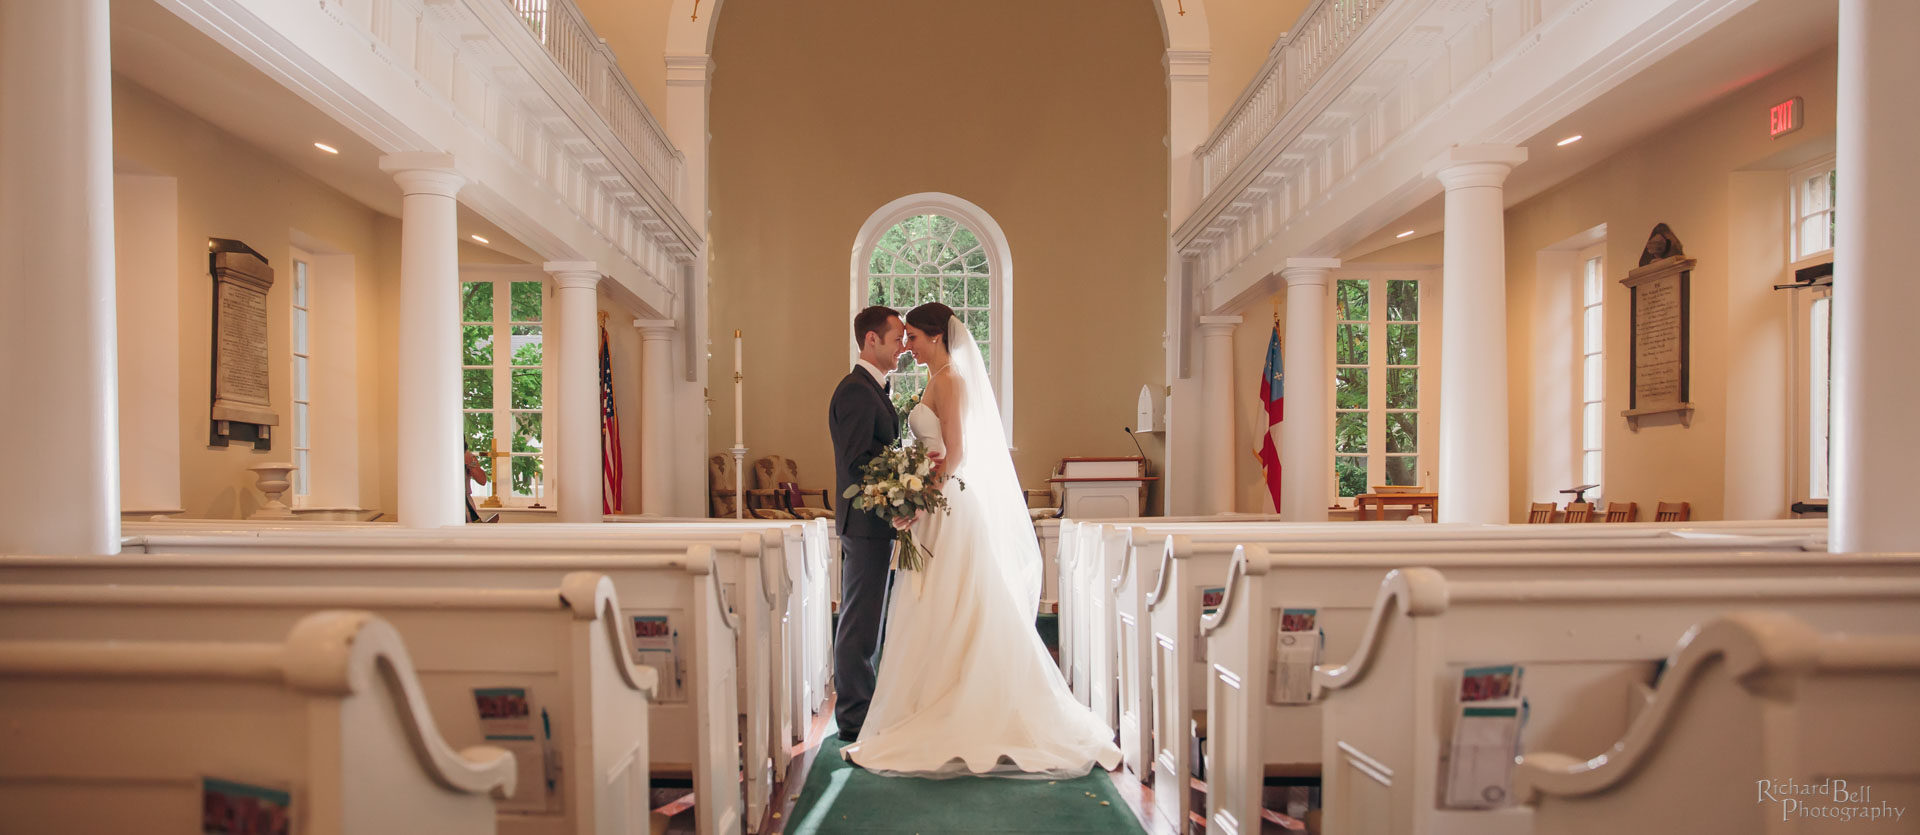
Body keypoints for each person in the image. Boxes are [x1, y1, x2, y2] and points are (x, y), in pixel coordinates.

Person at [841, 302, 1122, 778]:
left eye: (912, 336)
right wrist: (910, 493)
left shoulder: (951, 380)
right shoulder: (933, 380)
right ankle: (924, 699)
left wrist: (917, 497)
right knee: (927, 604)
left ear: (935, 336)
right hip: (930, 507)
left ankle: (961, 702)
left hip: (945, 506)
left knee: (954, 602)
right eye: (901, 338)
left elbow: (956, 453)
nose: (906, 346)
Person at [827, 305, 907, 741]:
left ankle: (863, 707)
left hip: (873, 521)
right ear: (871, 340)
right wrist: (899, 489)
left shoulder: (873, 388)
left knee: (868, 616)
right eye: (897, 338)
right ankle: (853, 719)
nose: (902, 348)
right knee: (859, 619)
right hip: (864, 521)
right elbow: (857, 462)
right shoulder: (857, 391)